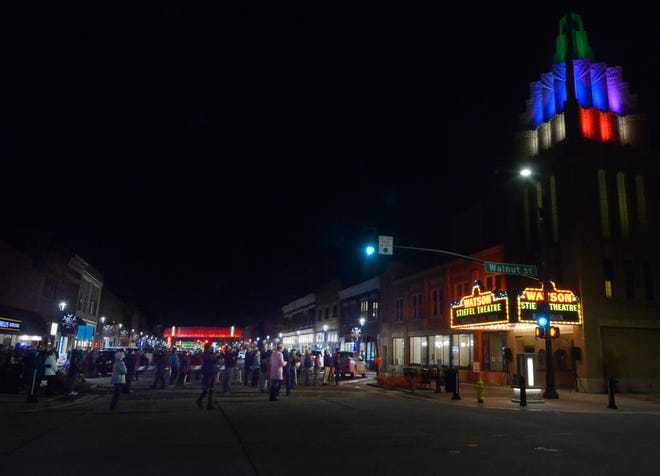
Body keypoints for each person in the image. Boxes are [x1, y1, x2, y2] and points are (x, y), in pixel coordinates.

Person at [196, 343, 220, 410]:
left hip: (211, 372)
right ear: (208, 348)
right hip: (209, 373)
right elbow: (214, 361)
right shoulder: (207, 354)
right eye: (211, 347)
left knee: (209, 389)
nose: (212, 348)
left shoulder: (209, 354)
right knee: (209, 388)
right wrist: (219, 356)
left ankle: (206, 403)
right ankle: (206, 403)